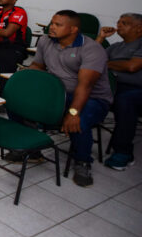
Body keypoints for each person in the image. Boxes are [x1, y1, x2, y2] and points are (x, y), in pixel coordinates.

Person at [25, 10, 113, 187]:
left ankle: (82, 161)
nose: (51, 27)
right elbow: (38, 65)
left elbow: (85, 86)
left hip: (93, 98)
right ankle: (33, 150)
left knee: (79, 119)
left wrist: (73, 112)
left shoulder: (92, 49)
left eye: (58, 25)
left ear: (73, 29)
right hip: (59, 92)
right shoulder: (45, 41)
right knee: (20, 103)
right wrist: (24, 78)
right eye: (52, 23)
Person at [97, 13, 142, 171]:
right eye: (119, 22)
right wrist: (101, 37)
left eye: (125, 23)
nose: (119, 25)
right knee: (80, 86)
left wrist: (107, 63)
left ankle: (124, 152)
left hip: (135, 89)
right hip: (112, 86)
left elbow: (132, 66)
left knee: (125, 100)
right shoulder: (116, 46)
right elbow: (93, 58)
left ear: (139, 28)